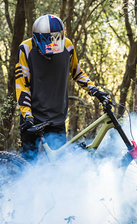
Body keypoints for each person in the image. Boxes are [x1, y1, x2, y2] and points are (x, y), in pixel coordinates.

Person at [15, 14, 108, 162]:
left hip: (56, 119)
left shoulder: (67, 46)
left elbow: (77, 73)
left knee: (57, 169)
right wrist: (27, 115)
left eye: (55, 40)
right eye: (46, 42)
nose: (51, 46)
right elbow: (22, 85)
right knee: (27, 166)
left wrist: (95, 91)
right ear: (36, 38)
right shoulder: (26, 48)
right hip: (32, 118)